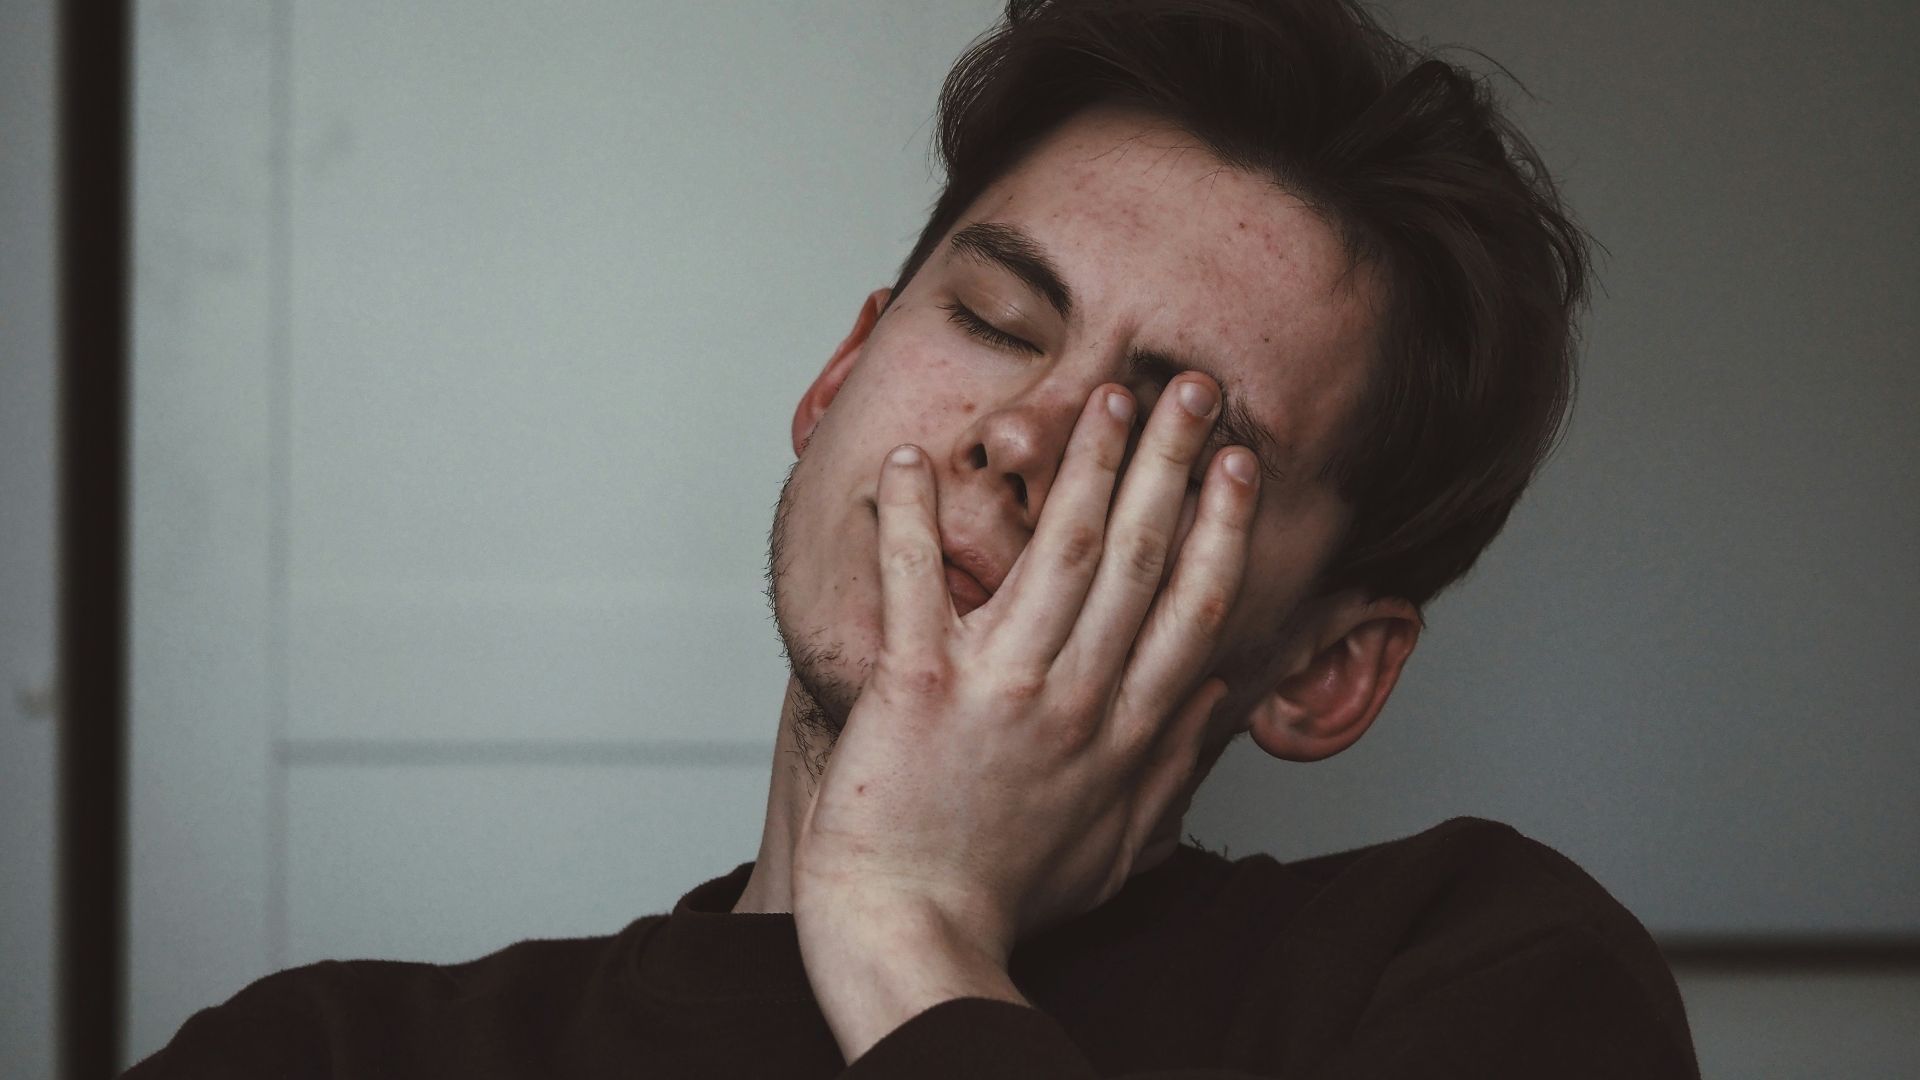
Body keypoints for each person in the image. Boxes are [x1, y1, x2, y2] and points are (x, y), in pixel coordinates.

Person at [125, 1, 1700, 1076]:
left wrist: (912, 936)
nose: (1020, 434)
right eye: (998, 319)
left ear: (1327, 672)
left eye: (1173, 431)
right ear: (836, 378)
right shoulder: (327, 1056)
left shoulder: (1477, 982)